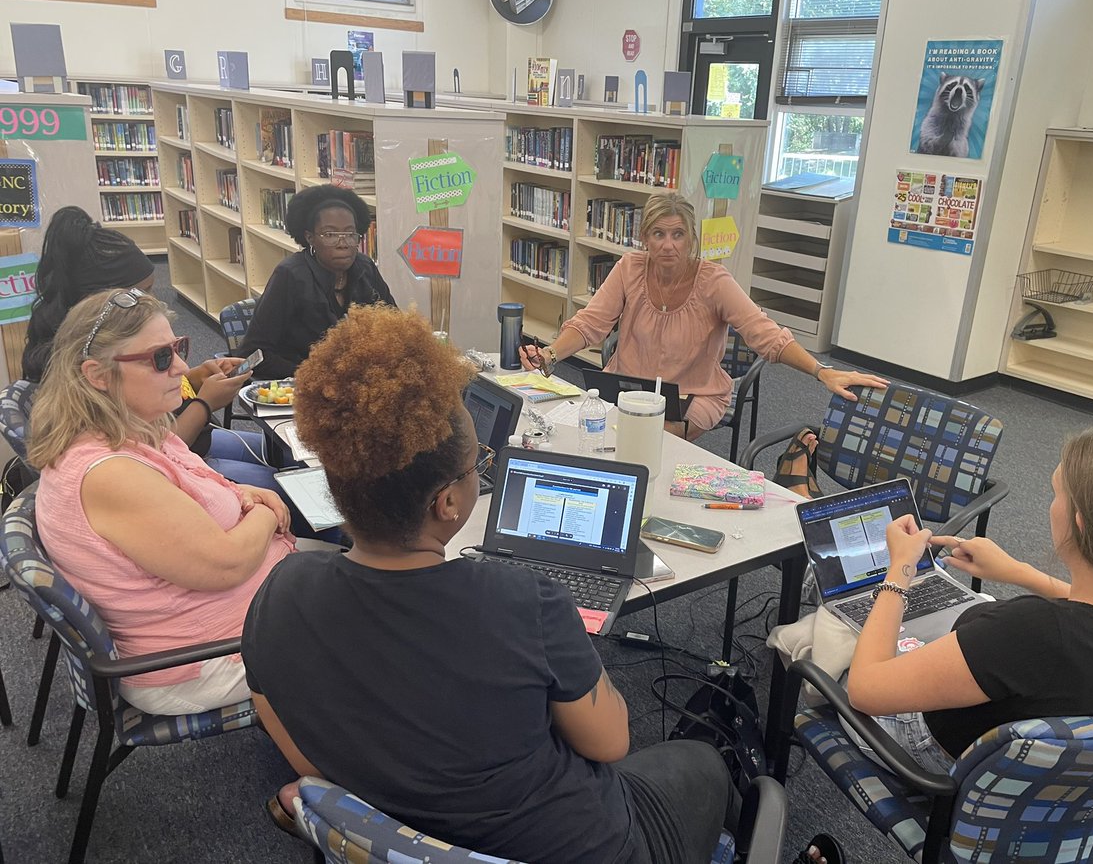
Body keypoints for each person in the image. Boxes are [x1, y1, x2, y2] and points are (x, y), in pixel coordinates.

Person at [242, 306, 737, 864]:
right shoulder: (523, 602)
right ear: (448, 502)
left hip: (388, 831)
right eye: (476, 463)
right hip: (580, 846)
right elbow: (610, 743)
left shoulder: (279, 592)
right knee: (702, 762)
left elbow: (298, 749)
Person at [842, 427, 1093, 773]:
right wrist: (1020, 572)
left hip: (943, 758)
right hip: (1085, 787)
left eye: (1056, 494)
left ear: (1080, 523)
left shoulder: (1029, 633)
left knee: (840, 662)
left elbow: (865, 690)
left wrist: (900, 568)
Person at [27, 288, 295, 715]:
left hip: (221, 617)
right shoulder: (109, 473)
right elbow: (226, 565)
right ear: (98, 375)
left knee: (359, 584)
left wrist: (242, 493)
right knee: (379, 611)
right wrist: (264, 513)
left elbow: (194, 482)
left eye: (179, 347)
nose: (184, 367)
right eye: (161, 358)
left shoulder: (130, 425)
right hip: (197, 657)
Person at [518, 193, 886, 440]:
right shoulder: (630, 268)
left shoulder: (715, 282)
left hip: (694, 394)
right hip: (627, 387)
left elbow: (767, 336)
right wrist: (549, 356)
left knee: (649, 443)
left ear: (691, 239)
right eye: (659, 234)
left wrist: (821, 371)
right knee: (583, 435)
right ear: (645, 238)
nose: (668, 244)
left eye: (678, 234)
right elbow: (590, 324)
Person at [20, 205, 274, 487]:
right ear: (102, 303)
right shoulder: (75, 373)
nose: (156, 302)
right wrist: (205, 403)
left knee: (280, 455)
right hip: (170, 462)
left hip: (185, 445)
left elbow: (144, 392)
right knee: (284, 488)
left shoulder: (120, 346)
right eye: (143, 293)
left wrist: (196, 378)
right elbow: (151, 452)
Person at [234, 185, 396, 378]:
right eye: (330, 235)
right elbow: (253, 353)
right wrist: (313, 377)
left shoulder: (365, 268)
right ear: (310, 238)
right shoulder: (290, 275)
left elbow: (395, 327)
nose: (343, 243)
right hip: (303, 384)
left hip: (359, 383)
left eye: (350, 234)